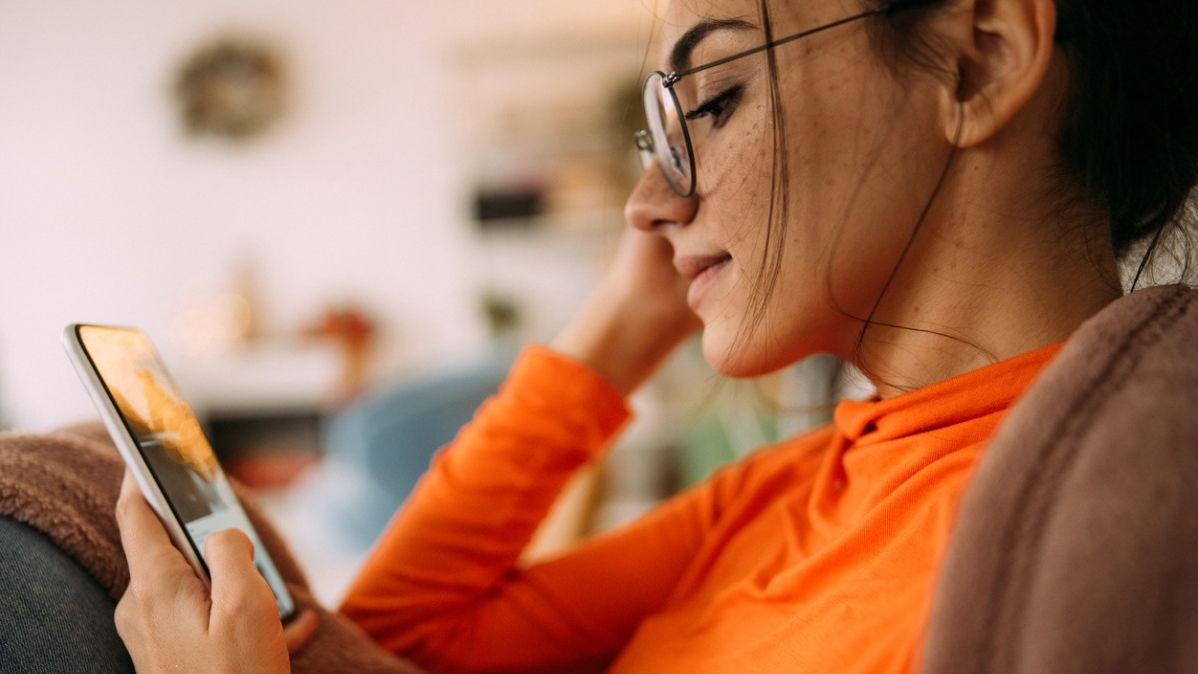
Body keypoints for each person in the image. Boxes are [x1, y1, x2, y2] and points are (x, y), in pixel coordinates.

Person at [113, 0, 1198, 671]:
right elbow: (404, 637)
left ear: (980, 60)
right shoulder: (797, 486)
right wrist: (621, 327)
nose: (645, 199)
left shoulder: (1090, 542)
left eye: (712, 98)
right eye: (655, 129)